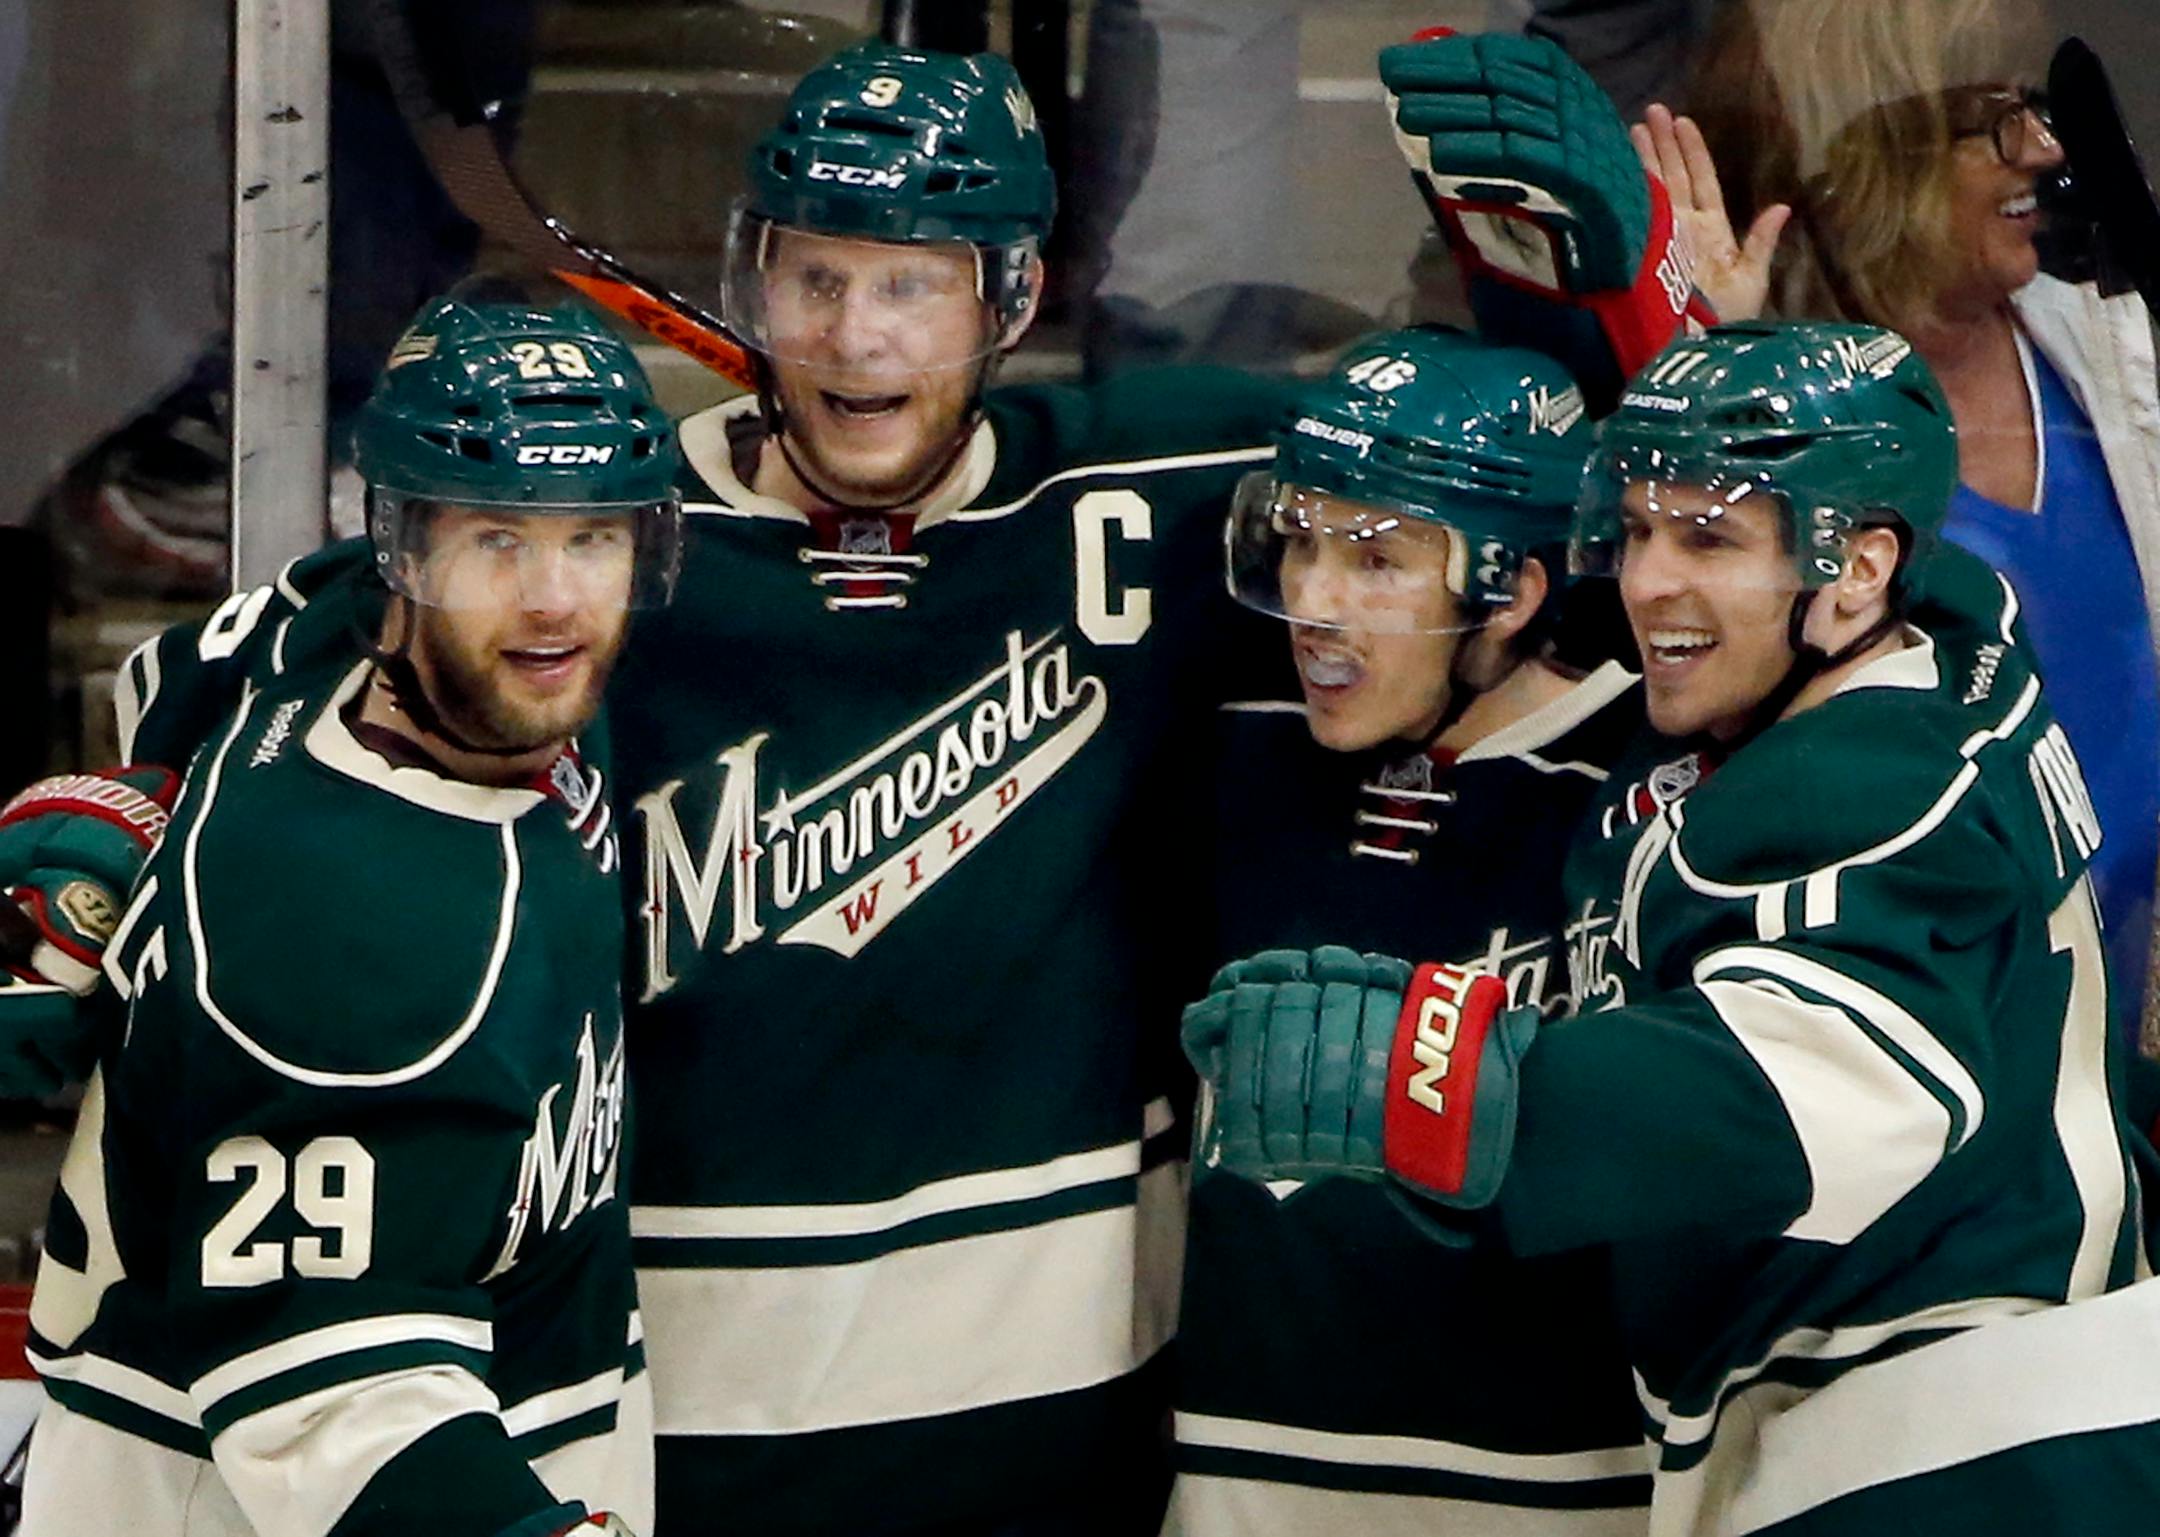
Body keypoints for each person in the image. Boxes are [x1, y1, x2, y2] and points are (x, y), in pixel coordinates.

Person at [0, 34, 1716, 1535]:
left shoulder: (1166, 489)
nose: (853, 333)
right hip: (672, 1416)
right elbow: (297, 655)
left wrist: (1615, 312)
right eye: (814, 275)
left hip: (1062, 1419)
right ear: (749, 278)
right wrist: (141, 818)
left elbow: (1512, 511)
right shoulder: (598, 539)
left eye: (911, 281)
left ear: (1015, 297)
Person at [1182, 321, 2160, 1533]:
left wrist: (1441, 1083)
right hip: (1962, 1407)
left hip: (1946, 1441)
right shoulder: (1943, 645)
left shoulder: (1856, 781)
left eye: (1708, 537)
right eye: (1639, 528)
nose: (1646, 580)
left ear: (1857, 568)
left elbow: (1826, 1080)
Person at [13, 283, 681, 1537]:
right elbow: (332, 1407)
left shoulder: (322, 646)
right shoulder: (346, 943)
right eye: (497, 537)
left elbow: (191, 673)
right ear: (407, 548)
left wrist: (139, 806)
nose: (551, 600)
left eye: (591, 537)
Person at [1171, 325, 1652, 1532]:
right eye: (1303, 542)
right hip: (1240, 1480)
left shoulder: (1654, 785)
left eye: (1379, 559)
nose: (1316, 605)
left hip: (1561, 1490)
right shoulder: (1232, 749)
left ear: (1516, 592)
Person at [1672, 0, 2160, 1031]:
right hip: (1931, 1040)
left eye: (2034, 108)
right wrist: (1722, 389)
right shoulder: (1789, 423)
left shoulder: (2112, 347)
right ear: (1879, 154)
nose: (2044, 148)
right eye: (1998, 122)